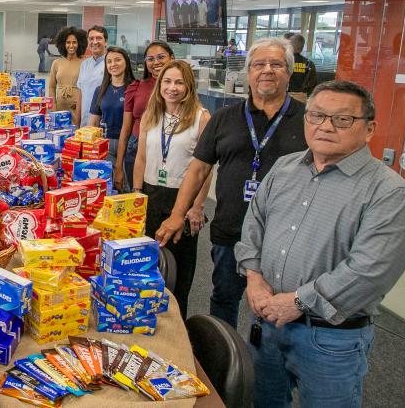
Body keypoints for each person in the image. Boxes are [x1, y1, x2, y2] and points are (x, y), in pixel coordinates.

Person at [235, 80, 405, 407]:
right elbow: (254, 223)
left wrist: (297, 302)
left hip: (329, 338)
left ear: (369, 129)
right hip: (266, 322)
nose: (326, 126)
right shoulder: (285, 167)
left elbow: (369, 272)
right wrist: (254, 277)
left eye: (342, 119)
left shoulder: (390, 193)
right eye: (316, 115)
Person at [156, 37, 307, 328]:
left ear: (289, 72)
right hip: (232, 228)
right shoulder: (226, 118)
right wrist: (178, 215)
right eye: (259, 64)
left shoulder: (307, 120)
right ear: (248, 72)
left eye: (276, 64)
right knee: (224, 297)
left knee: (279, 309)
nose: (267, 70)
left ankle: (265, 364)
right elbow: (198, 169)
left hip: (286, 237)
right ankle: (222, 363)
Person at [132, 60, 212, 316]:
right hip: (151, 193)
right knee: (148, 264)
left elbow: (205, 169)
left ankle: (177, 325)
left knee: (179, 270)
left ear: (189, 86)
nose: (172, 88)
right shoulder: (151, 115)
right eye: (167, 81)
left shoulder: (201, 118)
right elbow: (141, 158)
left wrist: (197, 207)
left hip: (182, 199)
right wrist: (136, 195)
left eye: (179, 82)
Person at [113, 41, 175, 192]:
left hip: (169, 150)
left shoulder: (179, 88)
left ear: (171, 58)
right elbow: (126, 129)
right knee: (137, 200)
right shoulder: (136, 87)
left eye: (161, 57)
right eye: (150, 59)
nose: (156, 62)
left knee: (163, 200)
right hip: (136, 148)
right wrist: (119, 166)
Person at [88, 46, 136, 167]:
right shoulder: (100, 90)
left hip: (128, 144)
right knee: (107, 181)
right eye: (109, 61)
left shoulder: (135, 89)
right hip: (105, 143)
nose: (113, 64)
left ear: (126, 61)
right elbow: (93, 123)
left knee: (124, 183)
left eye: (117, 60)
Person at [47, 26, 86, 117]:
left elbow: (88, 87)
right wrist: (53, 108)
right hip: (59, 109)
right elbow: (51, 87)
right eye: (68, 42)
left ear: (79, 43)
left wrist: (82, 103)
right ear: (63, 44)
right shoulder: (56, 63)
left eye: (74, 42)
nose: (71, 46)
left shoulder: (85, 63)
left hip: (77, 110)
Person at [75, 25, 109, 127]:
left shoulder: (110, 64)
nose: (94, 42)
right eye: (91, 39)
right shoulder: (84, 65)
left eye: (99, 38)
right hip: (84, 125)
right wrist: (77, 124)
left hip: (102, 125)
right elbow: (81, 96)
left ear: (106, 42)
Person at [286, 32, 318, 102]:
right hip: (302, 98)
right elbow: (313, 85)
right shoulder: (309, 63)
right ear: (302, 48)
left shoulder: (282, 62)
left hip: (283, 97)